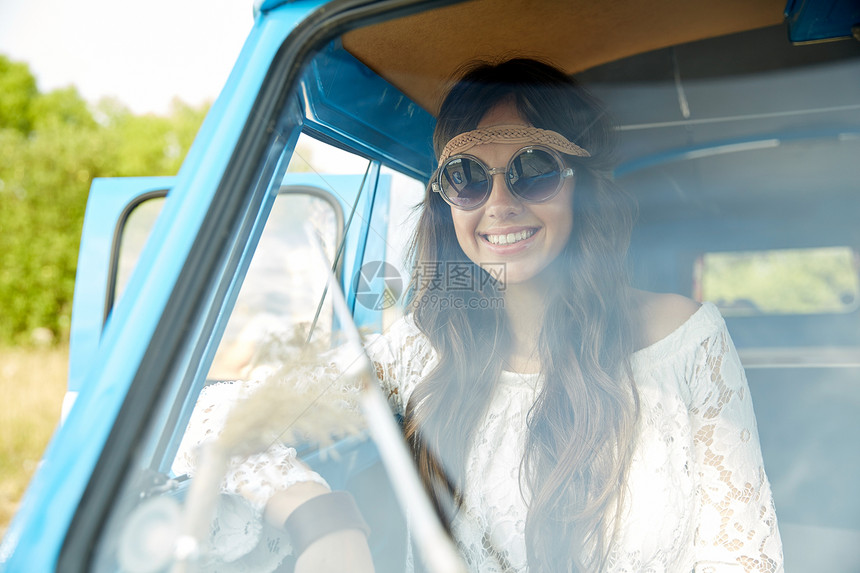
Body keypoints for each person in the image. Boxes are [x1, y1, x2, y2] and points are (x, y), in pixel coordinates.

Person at [176, 58, 783, 573]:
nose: (498, 203)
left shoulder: (683, 337)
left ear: (582, 185)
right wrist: (324, 518)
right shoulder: (426, 346)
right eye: (466, 177)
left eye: (533, 170)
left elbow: (746, 560)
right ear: (445, 201)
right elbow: (217, 416)